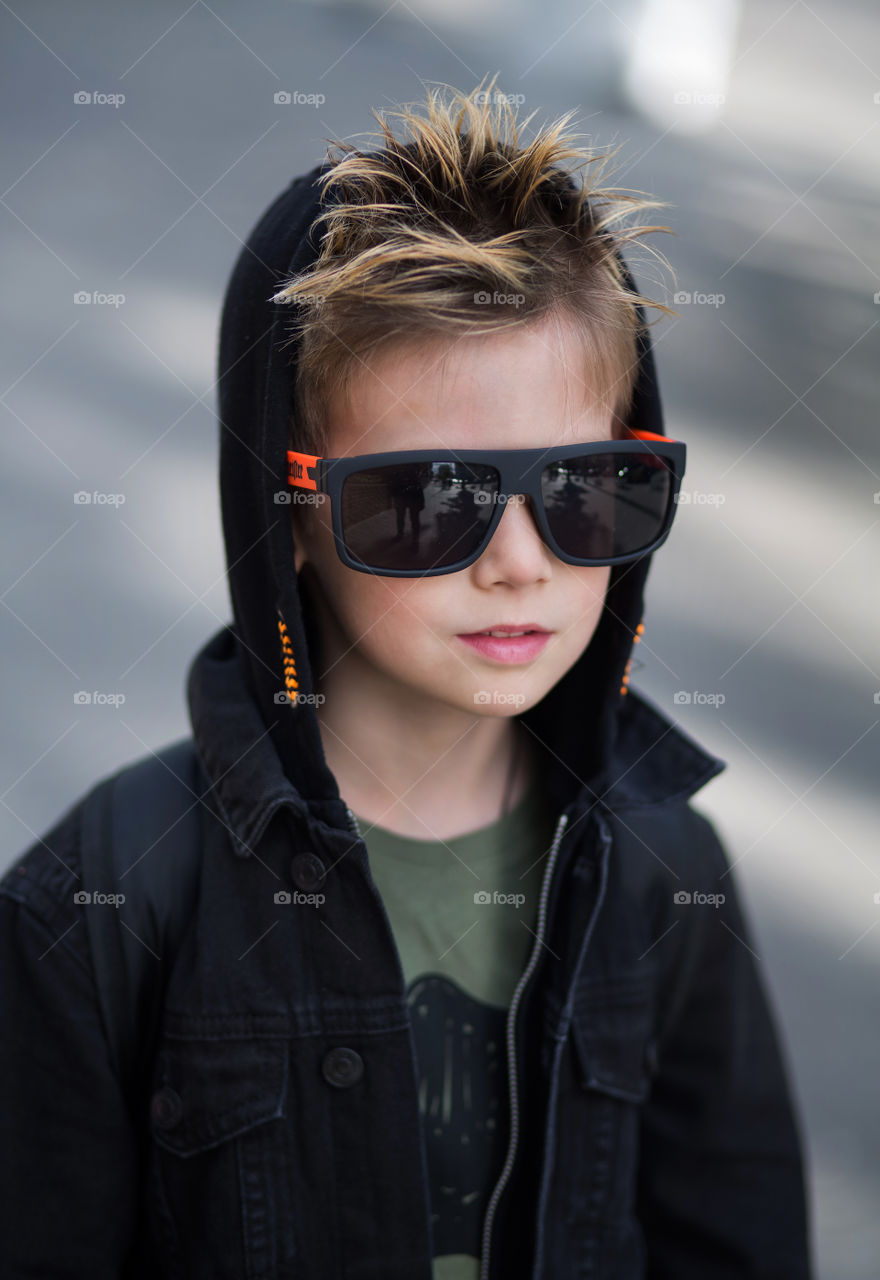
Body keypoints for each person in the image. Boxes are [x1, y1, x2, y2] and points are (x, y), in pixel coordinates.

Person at [0, 79, 814, 1278]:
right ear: (289, 519)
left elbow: (736, 1239)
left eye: (586, 488)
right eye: (431, 499)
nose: (520, 563)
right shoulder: (99, 901)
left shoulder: (666, 872)